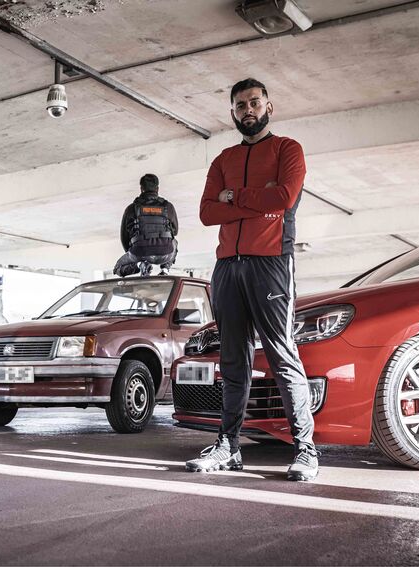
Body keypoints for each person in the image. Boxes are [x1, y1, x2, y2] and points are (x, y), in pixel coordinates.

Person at [185, 78, 319, 481]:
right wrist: (253, 197)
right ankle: (228, 446)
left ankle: (306, 449)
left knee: (281, 354)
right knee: (232, 359)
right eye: (241, 104)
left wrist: (233, 197)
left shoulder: (287, 149)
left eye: (255, 102)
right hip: (227, 266)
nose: (248, 109)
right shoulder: (222, 158)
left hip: (271, 262)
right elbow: (208, 213)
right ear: (232, 112)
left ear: (268, 107)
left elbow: (284, 198)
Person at [112, 173, 179, 277]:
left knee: (117, 268)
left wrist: (133, 254)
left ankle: (139, 265)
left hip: (139, 253)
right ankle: (165, 270)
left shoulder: (131, 209)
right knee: (174, 242)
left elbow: (124, 237)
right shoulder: (168, 207)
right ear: (157, 189)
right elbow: (175, 231)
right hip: (165, 254)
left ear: (141, 188)